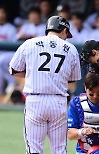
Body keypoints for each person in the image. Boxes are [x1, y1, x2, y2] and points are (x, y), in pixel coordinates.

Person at [9, 16, 81, 154]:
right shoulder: (71, 49)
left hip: (35, 101)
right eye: (67, 34)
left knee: (34, 149)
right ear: (64, 30)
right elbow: (73, 79)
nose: (67, 37)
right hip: (58, 102)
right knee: (59, 149)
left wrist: (33, 73)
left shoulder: (29, 43)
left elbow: (13, 69)